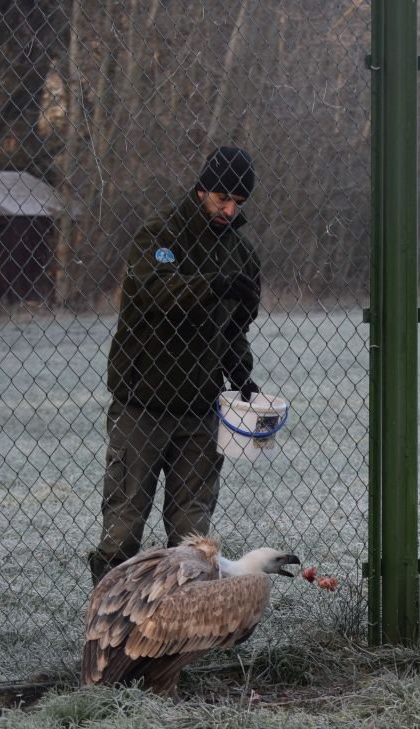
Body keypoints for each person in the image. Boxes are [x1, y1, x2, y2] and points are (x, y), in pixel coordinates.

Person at [87, 145, 263, 586]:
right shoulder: (160, 235)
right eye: (222, 197)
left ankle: (181, 630)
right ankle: (107, 621)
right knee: (124, 527)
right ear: (202, 188)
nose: (228, 208)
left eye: (237, 203)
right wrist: (213, 285)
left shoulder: (240, 253)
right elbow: (152, 295)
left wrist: (241, 374)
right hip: (142, 404)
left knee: (192, 536)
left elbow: (233, 328)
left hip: (201, 410)